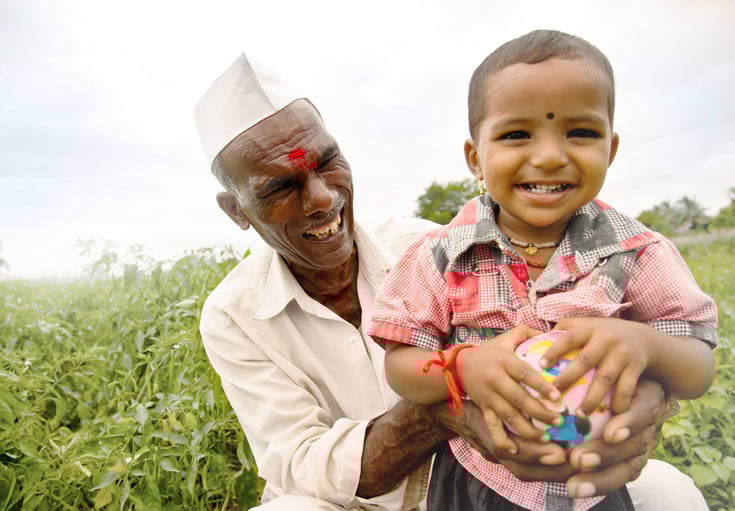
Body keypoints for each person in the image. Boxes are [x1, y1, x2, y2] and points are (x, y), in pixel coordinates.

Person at [193, 53, 706, 511]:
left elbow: (670, 342)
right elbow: (301, 463)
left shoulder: (436, 243)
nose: (323, 198)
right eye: (281, 187)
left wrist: (642, 398)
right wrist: (449, 406)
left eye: (327, 162)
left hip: (515, 472)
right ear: (237, 211)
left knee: (669, 493)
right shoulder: (234, 314)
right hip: (365, 503)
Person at [370, 30, 717, 511]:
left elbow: (697, 368)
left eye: (581, 132)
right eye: (516, 135)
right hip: (478, 481)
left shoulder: (637, 253)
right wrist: (464, 368)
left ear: (610, 150)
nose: (551, 156)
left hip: (596, 479)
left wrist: (647, 346)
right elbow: (402, 364)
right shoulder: (441, 255)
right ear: (476, 157)